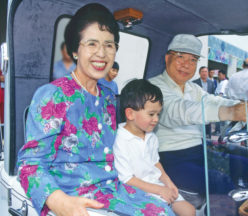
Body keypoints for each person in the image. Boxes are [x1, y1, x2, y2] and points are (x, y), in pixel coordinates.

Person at [17, 4, 174, 216]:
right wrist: (60, 202)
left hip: (113, 191)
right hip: (72, 197)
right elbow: (30, 165)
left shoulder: (109, 96)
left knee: (165, 212)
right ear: (75, 50)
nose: (101, 53)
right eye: (92, 44)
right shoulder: (53, 95)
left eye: (109, 45)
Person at [149, 34, 248, 196]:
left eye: (193, 60)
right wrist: (229, 112)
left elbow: (214, 101)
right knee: (219, 181)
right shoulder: (153, 86)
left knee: (244, 164)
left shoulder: (194, 88)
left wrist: (242, 106)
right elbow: (177, 110)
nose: (186, 65)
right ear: (167, 58)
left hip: (200, 151)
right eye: (180, 57)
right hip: (168, 158)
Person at [113, 79, 195, 216]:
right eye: (151, 114)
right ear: (130, 114)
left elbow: (155, 162)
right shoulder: (120, 140)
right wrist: (159, 190)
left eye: (158, 114)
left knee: (189, 211)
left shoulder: (151, 137)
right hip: (137, 191)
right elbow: (127, 179)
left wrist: (169, 183)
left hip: (157, 186)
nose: (156, 119)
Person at [193, 66, 215, 138]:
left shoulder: (211, 83)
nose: (204, 73)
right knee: (198, 125)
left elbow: (212, 94)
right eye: (202, 72)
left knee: (207, 124)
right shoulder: (194, 83)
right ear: (199, 73)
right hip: (198, 107)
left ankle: (207, 138)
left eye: (206, 71)